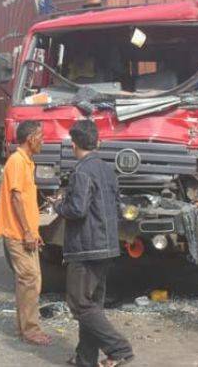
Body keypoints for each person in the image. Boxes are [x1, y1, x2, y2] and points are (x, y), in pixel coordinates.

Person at [53, 120, 134, 367]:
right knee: (92, 305)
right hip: (107, 244)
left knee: (79, 303)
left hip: (87, 246)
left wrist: (58, 205)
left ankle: (119, 349)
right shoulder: (107, 169)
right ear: (97, 142)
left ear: (74, 144)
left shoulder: (82, 171)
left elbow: (77, 209)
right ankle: (85, 358)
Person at [0, 120, 52, 346]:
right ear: (31, 138)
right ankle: (30, 330)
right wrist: (28, 231)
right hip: (18, 233)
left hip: (26, 233)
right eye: (42, 136)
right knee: (29, 280)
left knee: (31, 281)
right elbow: (16, 197)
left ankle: (25, 326)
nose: (44, 140)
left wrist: (33, 231)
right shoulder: (17, 161)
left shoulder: (26, 161)